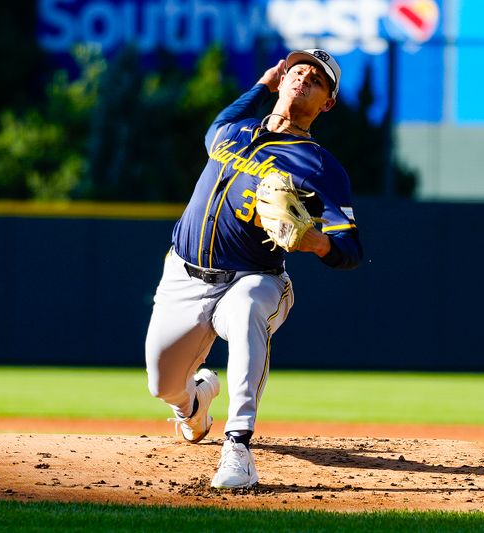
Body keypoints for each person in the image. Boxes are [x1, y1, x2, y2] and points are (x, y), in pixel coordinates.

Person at [144, 49, 363, 489]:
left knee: (246, 311)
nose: (304, 78)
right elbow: (215, 126)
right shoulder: (235, 131)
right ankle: (196, 402)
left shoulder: (320, 164)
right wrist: (260, 85)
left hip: (255, 279)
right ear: (283, 81)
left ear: (327, 103)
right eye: (298, 71)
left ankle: (238, 448)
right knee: (163, 386)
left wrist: (315, 241)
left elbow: (351, 246)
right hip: (184, 276)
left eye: (318, 80)